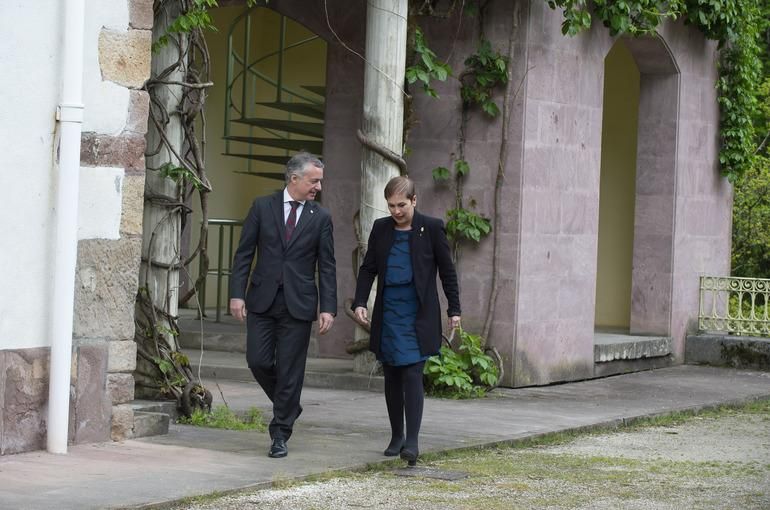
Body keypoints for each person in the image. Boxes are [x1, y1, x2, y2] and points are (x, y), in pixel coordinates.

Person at [229, 152, 337, 459]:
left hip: (299, 303)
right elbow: (244, 254)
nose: (318, 187)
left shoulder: (321, 217)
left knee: (291, 370)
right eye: (313, 180)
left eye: (320, 181)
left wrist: (327, 307)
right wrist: (237, 293)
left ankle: (280, 433)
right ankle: (290, 405)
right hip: (262, 299)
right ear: (294, 178)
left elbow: (327, 266)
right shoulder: (262, 207)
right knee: (258, 361)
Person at [352, 175, 461, 466]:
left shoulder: (433, 228)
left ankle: (412, 441)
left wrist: (454, 310)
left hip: (418, 314)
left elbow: (447, 273)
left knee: (412, 372)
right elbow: (368, 269)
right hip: (389, 313)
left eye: (401, 204)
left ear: (414, 200)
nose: (396, 211)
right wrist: (360, 302)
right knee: (392, 375)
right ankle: (396, 434)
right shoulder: (381, 229)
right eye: (391, 206)